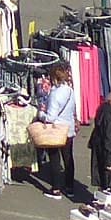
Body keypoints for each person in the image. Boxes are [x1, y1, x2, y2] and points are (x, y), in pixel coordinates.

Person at [34, 65, 80, 199]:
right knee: (68, 158)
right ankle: (70, 187)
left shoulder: (55, 94)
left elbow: (50, 118)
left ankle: (56, 189)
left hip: (56, 130)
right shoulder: (70, 90)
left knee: (54, 159)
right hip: (68, 129)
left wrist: (40, 113)